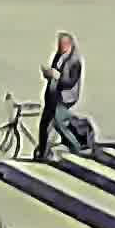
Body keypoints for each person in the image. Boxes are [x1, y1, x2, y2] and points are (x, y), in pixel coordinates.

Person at [38, 33, 85, 161]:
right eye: (59, 44)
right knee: (44, 125)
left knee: (59, 122)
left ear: (69, 45)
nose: (60, 47)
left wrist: (58, 76)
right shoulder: (58, 56)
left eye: (63, 44)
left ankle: (76, 147)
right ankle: (42, 154)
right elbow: (54, 74)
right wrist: (48, 74)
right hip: (52, 95)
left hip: (65, 97)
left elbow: (70, 82)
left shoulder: (75, 62)